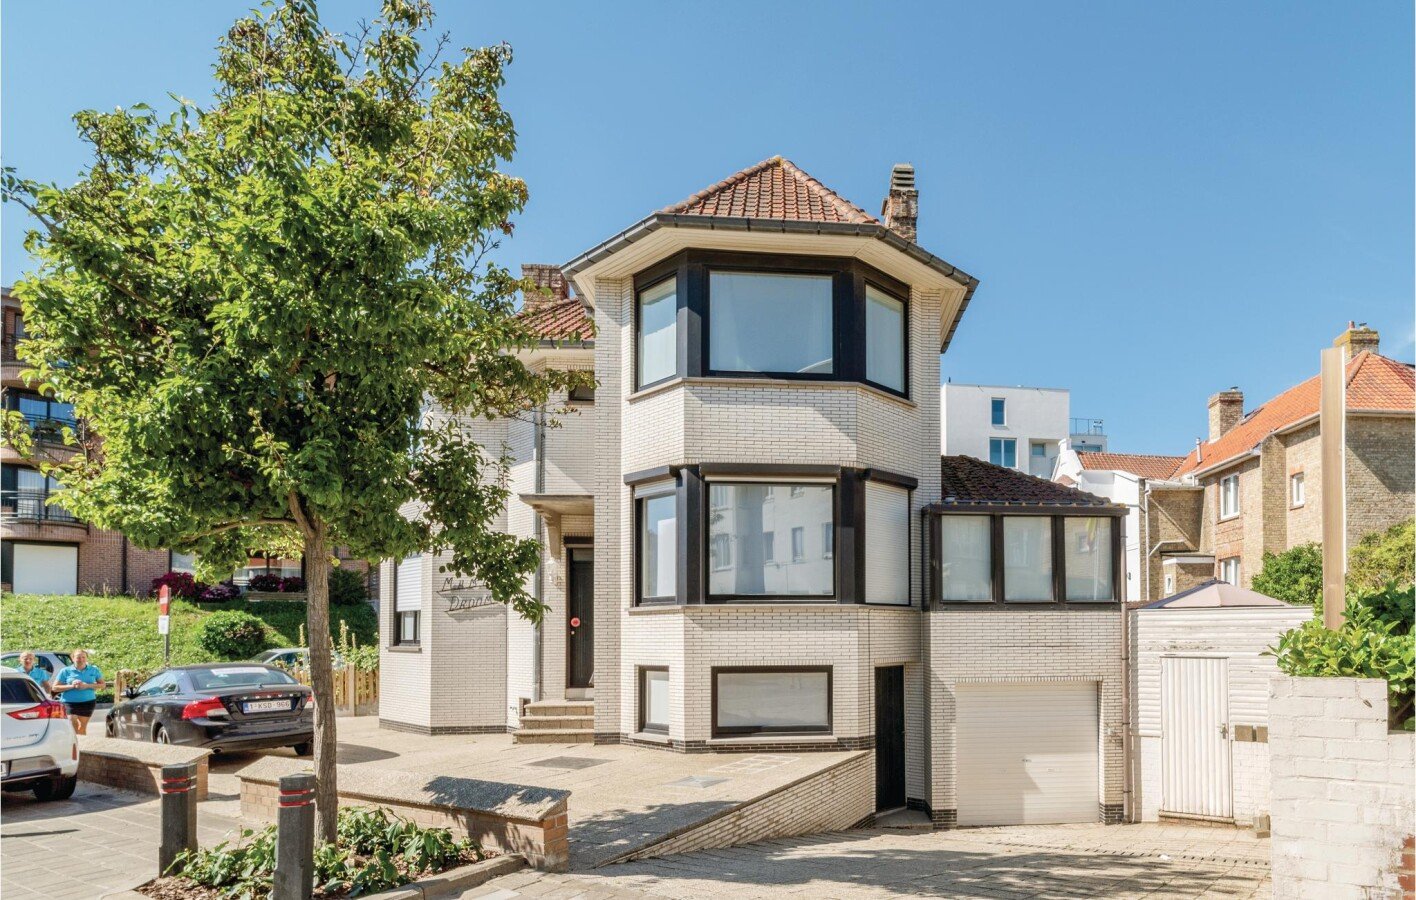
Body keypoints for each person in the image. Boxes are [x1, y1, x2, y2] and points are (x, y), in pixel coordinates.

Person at [53, 649, 104, 734]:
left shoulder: (94, 670)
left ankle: (81, 744)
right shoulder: (65, 671)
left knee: (82, 726)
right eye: (78, 657)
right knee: (72, 721)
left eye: (83, 657)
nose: (81, 659)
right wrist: (72, 686)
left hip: (88, 702)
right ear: (73, 658)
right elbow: (55, 688)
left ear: (86, 658)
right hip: (69, 702)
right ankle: (75, 743)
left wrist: (86, 685)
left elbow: (102, 685)